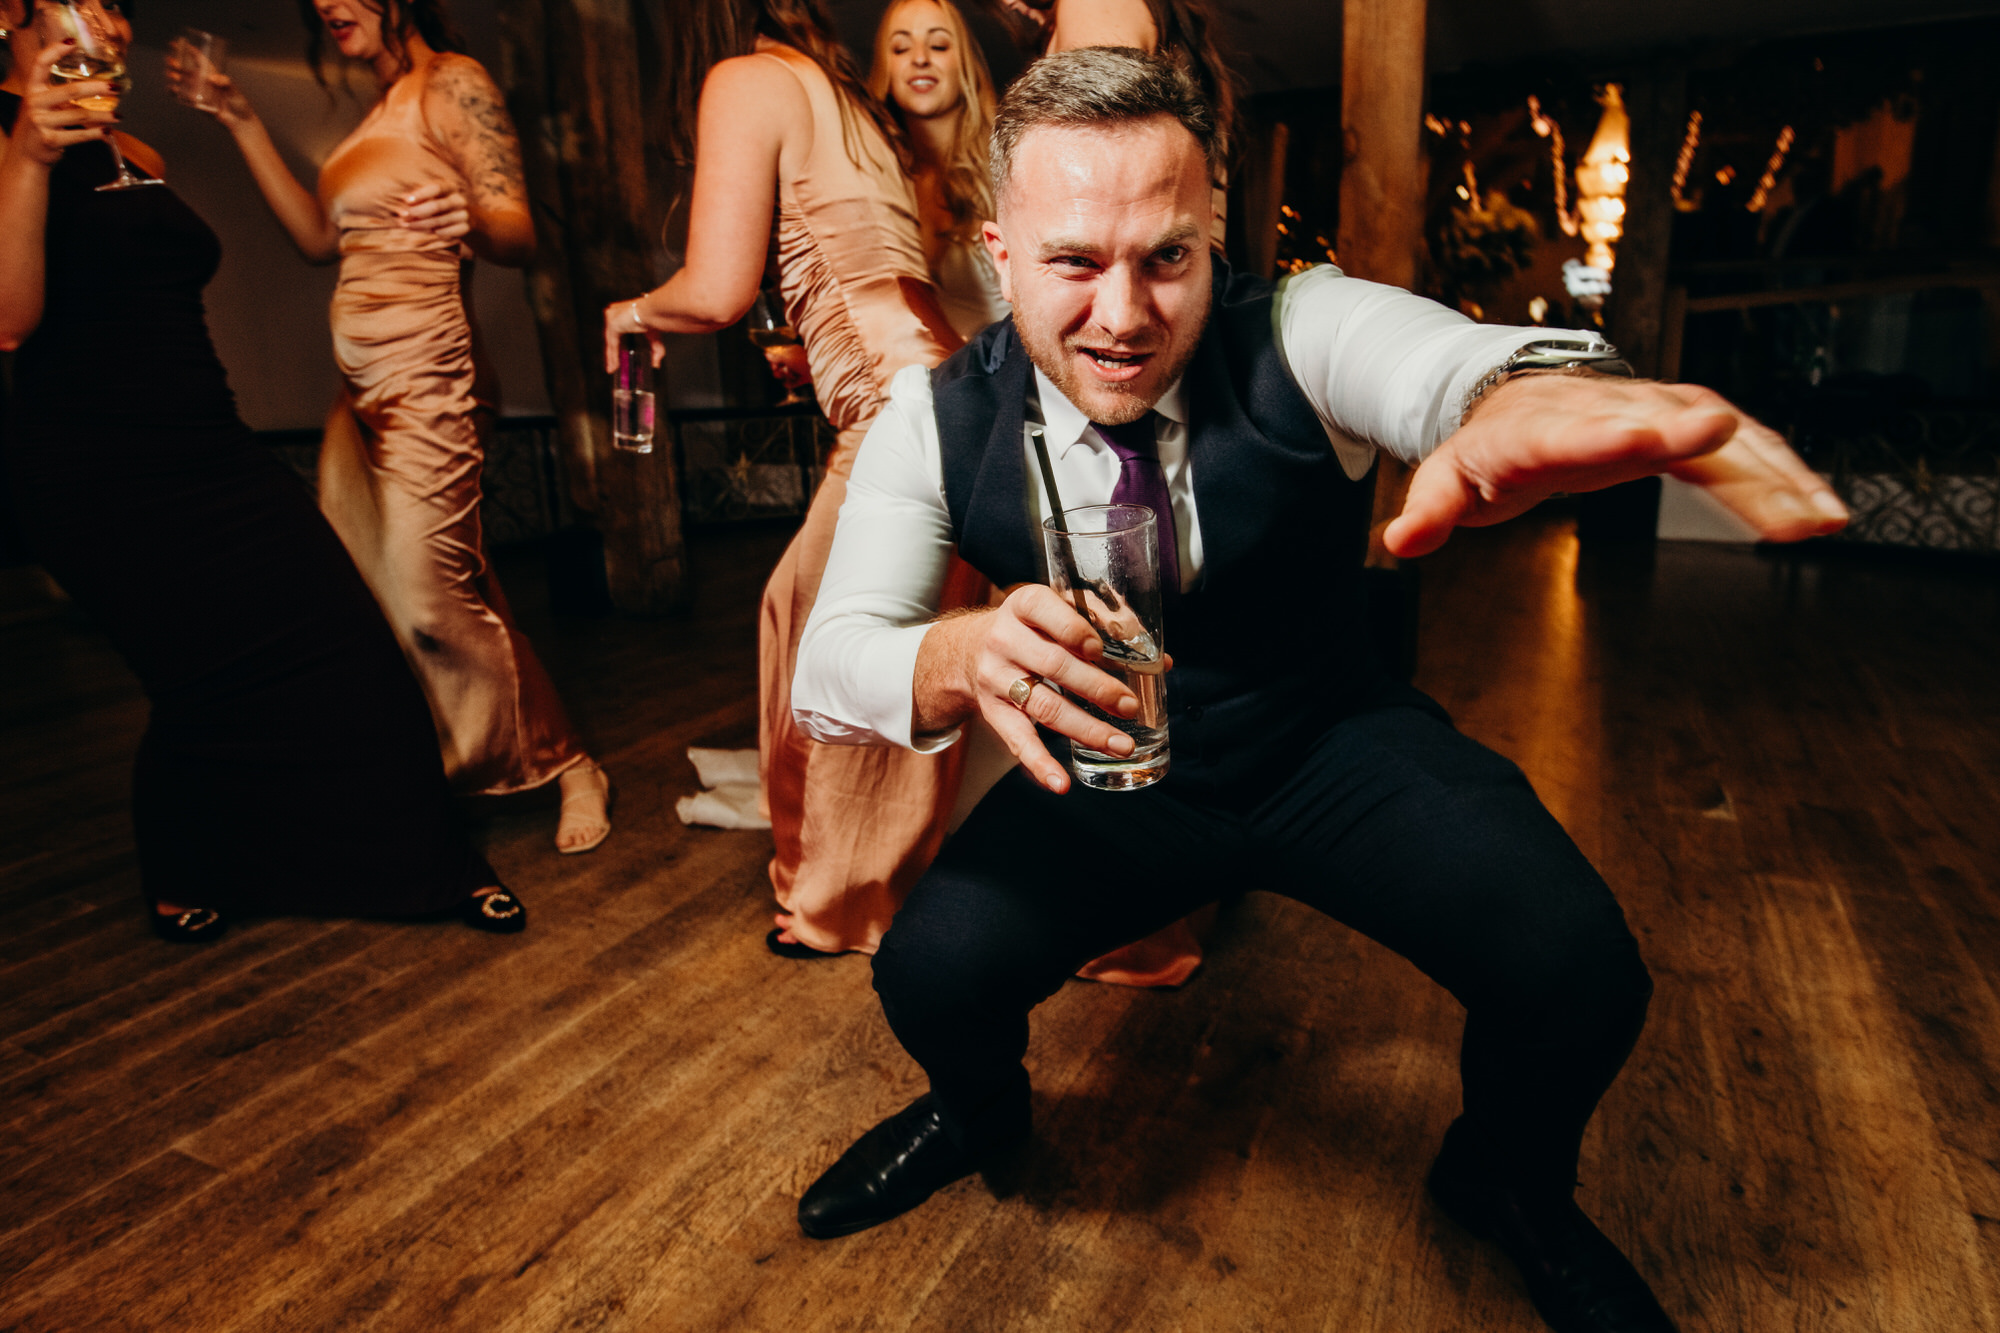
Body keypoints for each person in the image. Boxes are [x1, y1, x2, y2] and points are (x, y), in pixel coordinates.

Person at [787, 51, 1848, 1333]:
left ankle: (1504, 1183)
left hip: (1325, 742)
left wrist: (1516, 394)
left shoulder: (1297, 325)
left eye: (1165, 259)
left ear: (1212, 235)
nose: (1122, 313)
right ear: (1000, 254)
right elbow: (831, 663)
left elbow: (1443, 360)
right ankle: (977, 1110)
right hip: (1116, 778)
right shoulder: (929, 418)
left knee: (1580, 973)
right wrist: (952, 655)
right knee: (926, 977)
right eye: (1073, 262)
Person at [0, 2, 525, 939]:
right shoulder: (11, 142)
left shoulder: (133, 151)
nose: (112, 27)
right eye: (86, 5)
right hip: (91, 469)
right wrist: (31, 159)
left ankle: (420, 865)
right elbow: (10, 319)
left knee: (348, 652)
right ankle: (186, 866)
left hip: (207, 445)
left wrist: (236, 116)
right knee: (199, 681)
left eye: (119, 9)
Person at [172, 0, 612, 855]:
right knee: (389, 589)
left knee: (425, 596)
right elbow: (312, 238)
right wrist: (238, 116)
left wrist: (471, 222)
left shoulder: (450, 81)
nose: (328, 3)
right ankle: (437, 764)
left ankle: (570, 762)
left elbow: (516, 229)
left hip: (430, 375)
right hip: (358, 387)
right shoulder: (371, 114)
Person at [602, 0, 973, 960]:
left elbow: (718, 290)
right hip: (944, 385)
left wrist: (634, 310)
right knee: (858, 621)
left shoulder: (749, 80)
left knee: (825, 641)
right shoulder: (848, 98)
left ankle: (839, 902)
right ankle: (920, 869)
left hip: (898, 413)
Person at [867, 0, 1006, 341]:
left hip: (1020, 379)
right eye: (900, 48)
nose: (919, 58)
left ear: (965, 65)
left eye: (939, 45)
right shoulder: (876, 179)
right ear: (886, 68)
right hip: (932, 380)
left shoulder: (1011, 162)